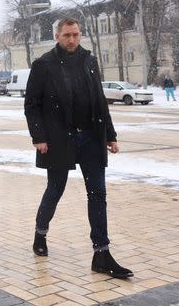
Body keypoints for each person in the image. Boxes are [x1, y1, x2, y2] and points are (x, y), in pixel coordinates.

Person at [25, 17, 132, 279]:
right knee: (55, 189)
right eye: (66, 35)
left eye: (75, 35)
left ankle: (101, 254)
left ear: (80, 35)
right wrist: (39, 137)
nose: (71, 39)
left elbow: (99, 100)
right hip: (60, 139)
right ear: (57, 37)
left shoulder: (89, 61)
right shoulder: (44, 65)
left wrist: (110, 134)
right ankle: (40, 233)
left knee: (98, 194)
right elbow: (32, 105)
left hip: (91, 139)